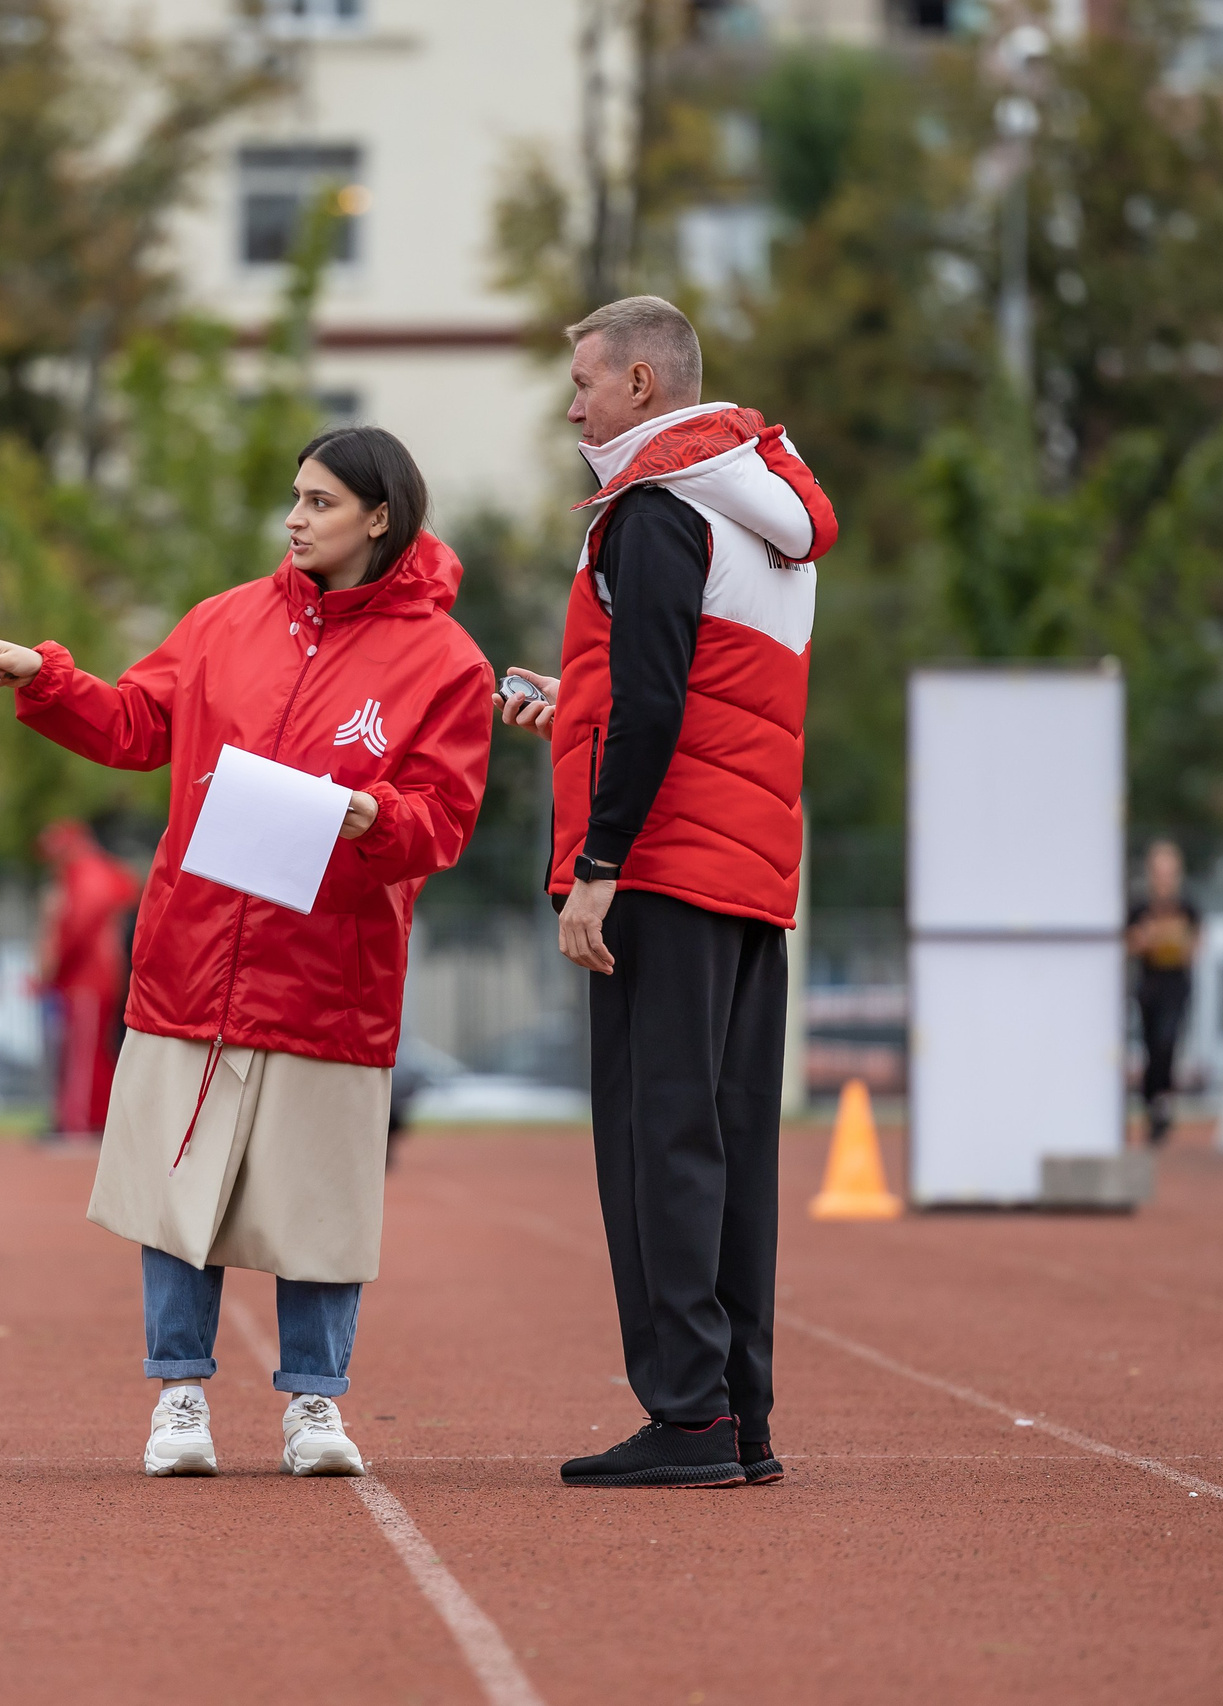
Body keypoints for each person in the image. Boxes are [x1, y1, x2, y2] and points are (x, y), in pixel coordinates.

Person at [0, 426, 491, 1479]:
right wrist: (47, 676)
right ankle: (178, 1396)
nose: (293, 518)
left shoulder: (446, 661)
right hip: (193, 956)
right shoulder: (221, 623)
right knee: (180, 1189)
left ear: (379, 515)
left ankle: (314, 1404)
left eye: (318, 501)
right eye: (292, 498)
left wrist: (367, 814)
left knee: (318, 1199)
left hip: (331, 968)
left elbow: (443, 816)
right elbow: (131, 724)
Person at [496, 297, 836, 1491]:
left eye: (584, 380)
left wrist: (596, 868)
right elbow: (691, 681)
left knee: (658, 1141)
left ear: (642, 383)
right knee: (731, 1143)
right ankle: (739, 1415)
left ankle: (684, 1414)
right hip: (746, 871)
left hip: (662, 868)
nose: (571, 402)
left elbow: (654, 704)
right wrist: (571, 698)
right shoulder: (761, 508)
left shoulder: (651, 509)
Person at [36, 820, 139, 1141]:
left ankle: (79, 1120)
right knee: (91, 1051)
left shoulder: (86, 875)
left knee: (83, 1053)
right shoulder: (93, 874)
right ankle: (90, 1116)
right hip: (94, 977)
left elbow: (76, 929)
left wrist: (52, 967)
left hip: (88, 979)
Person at [1127, 839, 1200, 1146]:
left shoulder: (1188, 908)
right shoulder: (1139, 908)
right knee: (1150, 1046)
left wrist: (1172, 942)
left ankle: (1163, 1105)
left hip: (1176, 986)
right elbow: (1131, 944)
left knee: (1167, 1042)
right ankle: (1151, 1106)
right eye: (1159, 871)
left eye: (1169, 871)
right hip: (1149, 985)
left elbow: (1195, 946)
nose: (1164, 878)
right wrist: (1150, 939)